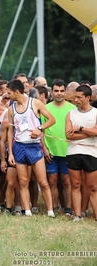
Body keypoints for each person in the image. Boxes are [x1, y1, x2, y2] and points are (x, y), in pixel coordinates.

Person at [6, 79, 56, 218]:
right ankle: (27, 211)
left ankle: (50, 211)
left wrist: (39, 128)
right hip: (19, 146)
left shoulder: (35, 103)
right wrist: (10, 152)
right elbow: (11, 132)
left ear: (16, 92)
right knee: (22, 181)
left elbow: (52, 120)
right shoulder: (11, 109)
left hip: (34, 146)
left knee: (43, 182)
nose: (7, 95)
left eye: (9, 92)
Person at [42, 78, 75, 216]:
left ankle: (68, 208)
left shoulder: (72, 109)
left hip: (68, 151)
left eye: (62, 91)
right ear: (51, 92)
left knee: (67, 181)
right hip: (51, 151)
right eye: (56, 91)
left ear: (66, 92)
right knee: (52, 180)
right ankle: (54, 207)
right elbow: (41, 131)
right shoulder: (45, 109)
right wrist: (44, 148)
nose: (59, 93)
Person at [65, 85, 97, 221]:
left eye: (79, 97)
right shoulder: (71, 114)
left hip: (91, 152)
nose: (76, 100)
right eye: (75, 97)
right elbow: (68, 135)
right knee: (75, 184)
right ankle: (77, 215)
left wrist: (80, 128)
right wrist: (89, 133)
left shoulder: (95, 113)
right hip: (73, 152)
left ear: (88, 98)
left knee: (93, 186)